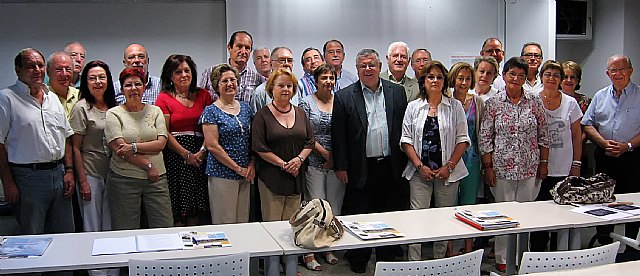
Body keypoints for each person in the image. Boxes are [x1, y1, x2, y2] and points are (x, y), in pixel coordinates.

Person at [332, 49, 408, 274]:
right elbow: (339, 136)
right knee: (359, 215)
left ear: (379, 67)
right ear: (357, 69)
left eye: (371, 65)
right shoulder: (345, 96)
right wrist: (341, 166)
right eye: (363, 65)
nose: (368, 69)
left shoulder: (397, 92)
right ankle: (359, 257)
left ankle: (386, 256)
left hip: (390, 165)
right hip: (360, 166)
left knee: (388, 213)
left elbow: (404, 128)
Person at [479, 57, 549, 272]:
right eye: (512, 74)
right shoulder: (493, 103)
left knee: (526, 216)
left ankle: (522, 256)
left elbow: (543, 135)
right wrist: (488, 167)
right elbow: (485, 138)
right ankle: (502, 257)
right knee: (504, 216)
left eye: (521, 75)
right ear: (504, 76)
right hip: (501, 170)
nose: (516, 79)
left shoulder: (535, 102)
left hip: (529, 168)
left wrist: (544, 163)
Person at [0, 48, 75, 236]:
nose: (36, 70)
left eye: (40, 65)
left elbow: (65, 136)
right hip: (27, 178)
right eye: (30, 66)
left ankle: (65, 267)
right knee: (33, 237)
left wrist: (69, 171)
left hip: (59, 174)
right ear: (18, 70)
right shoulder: (7, 98)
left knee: (64, 233)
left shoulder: (52, 99)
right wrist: (7, 182)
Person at [401, 61, 469, 261]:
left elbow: (463, 139)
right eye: (431, 77)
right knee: (417, 217)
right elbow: (406, 140)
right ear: (423, 81)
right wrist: (419, 166)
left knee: (444, 218)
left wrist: (449, 166)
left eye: (439, 77)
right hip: (419, 173)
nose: (435, 80)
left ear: (444, 81)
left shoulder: (455, 106)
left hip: (448, 173)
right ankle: (414, 262)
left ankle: (440, 261)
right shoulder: (413, 107)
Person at [582, 55, 640, 246]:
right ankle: (604, 243)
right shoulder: (600, 95)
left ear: (630, 71)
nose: (618, 74)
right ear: (608, 74)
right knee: (603, 201)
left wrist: (627, 146)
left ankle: (631, 246)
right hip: (605, 156)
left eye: (622, 69)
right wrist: (603, 143)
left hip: (632, 157)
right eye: (613, 70)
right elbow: (587, 124)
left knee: (632, 203)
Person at [105, 67, 173, 230]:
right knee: (125, 230)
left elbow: (161, 143)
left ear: (144, 87)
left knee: (164, 226)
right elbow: (121, 150)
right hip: (124, 179)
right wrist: (148, 165)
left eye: (138, 84)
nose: (134, 88)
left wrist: (133, 147)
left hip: (157, 179)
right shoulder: (113, 114)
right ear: (121, 90)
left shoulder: (156, 111)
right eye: (128, 85)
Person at [70, 60, 120, 276]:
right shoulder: (81, 108)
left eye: (101, 77)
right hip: (90, 172)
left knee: (111, 224)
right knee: (93, 226)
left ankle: (113, 270)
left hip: (114, 172)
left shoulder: (115, 106)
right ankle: (97, 272)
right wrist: (82, 181)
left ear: (108, 80)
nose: (98, 82)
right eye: (92, 78)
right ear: (86, 82)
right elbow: (74, 148)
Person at [530, 60, 583, 252]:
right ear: (541, 77)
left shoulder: (571, 103)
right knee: (539, 213)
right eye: (548, 74)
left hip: (564, 167)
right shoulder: (533, 98)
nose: (551, 78)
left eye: (556, 75)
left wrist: (576, 163)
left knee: (561, 213)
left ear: (560, 79)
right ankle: (536, 253)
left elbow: (577, 135)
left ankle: (559, 254)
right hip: (537, 168)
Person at [155, 54, 213, 226]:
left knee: (200, 205)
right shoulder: (164, 98)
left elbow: (210, 127)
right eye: (178, 72)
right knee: (180, 207)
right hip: (176, 157)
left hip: (202, 155)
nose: (183, 75)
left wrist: (201, 152)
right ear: (170, 76)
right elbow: (164, 131)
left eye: (187, 71)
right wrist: (186, 154)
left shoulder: (204, 95)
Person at [252, 68, 314, 222]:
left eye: (289, 86)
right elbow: (259, 146)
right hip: (272, 177)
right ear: (271, 88)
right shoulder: (262, 115)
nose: (286, 89)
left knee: (292, 224)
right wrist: (284, 164)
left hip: (296, 176)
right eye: (281, 85)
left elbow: (310, 141)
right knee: (272, 225)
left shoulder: (300, 113)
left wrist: (299, 160)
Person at [299, 64, 343, 271]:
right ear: (315, 81)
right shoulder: (306, 103)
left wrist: (335, 158)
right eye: (324, 77)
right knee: (316, 207)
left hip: (337, 164)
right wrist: (325, 154)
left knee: (333, 207)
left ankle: (328, 248)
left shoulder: (341, 101)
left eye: (331, 78)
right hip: (314, 162)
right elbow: (306, 134)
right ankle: (309, 252)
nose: (328, 81)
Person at [200, 64, 254, 225]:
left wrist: (251, 164)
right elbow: (212, 146)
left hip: (245, 173)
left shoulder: (246, 108)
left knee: (242, 222)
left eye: (233, 80)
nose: (230, 84)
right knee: (226, 223)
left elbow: (252, 139)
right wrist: (237, 168)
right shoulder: (210, 111)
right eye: (224, 81)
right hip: (221, 174)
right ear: (217, 85)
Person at [449, 62, 484, 255]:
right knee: (450, 205)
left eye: (467, 78)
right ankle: (450, 250)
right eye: (460, 78)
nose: (463, 82)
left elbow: (482, 132)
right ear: (453, 78)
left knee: (469, 205)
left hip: (472, 159)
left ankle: (469, 249)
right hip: (451, 160)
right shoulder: (445, 100)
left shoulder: (477, 102)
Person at [201, 31, 264, 101]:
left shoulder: (257, 79)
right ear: (229, 47)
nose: (243, 52)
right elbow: (199, 101)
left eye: (247, 48)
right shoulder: (210, 72)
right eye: (239, 46)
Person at [562, 61, 592, 176]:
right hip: (557, 155)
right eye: (565, 77)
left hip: (579, 155)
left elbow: (589, 127)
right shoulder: (552, 100)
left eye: (573, 77)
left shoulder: (586, 101)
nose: (569, 80)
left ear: (578, 80)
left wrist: (576, 142)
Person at [250, 47, 302, 113]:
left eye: (290, 60)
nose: (286, 64)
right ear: (271, 64)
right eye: (282, 60)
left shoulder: (296, 89)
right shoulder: (260, 92)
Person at [47, 52, 79, 119]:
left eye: (68, 69)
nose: (64, 74)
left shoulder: (79, 95)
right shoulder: (42, 96)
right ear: (48, 72)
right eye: (59, 69)